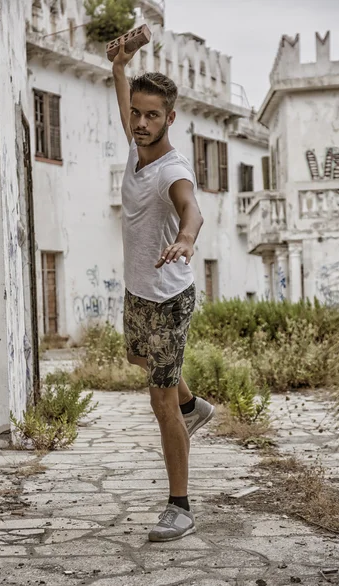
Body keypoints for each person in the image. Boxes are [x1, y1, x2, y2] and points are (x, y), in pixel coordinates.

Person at [112, 40, 215, 542]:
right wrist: (118, 66)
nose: (140, 122)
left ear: (169, 119)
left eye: (151, 116)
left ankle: (180, 506)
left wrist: (186, 239)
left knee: (160, 401)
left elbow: (191, 207)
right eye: (135, 112)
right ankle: (193, 405)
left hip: (170, 297)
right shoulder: (135, 144)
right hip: (138, 291)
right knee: (138, 360)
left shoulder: (171, 169)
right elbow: (123, 94)